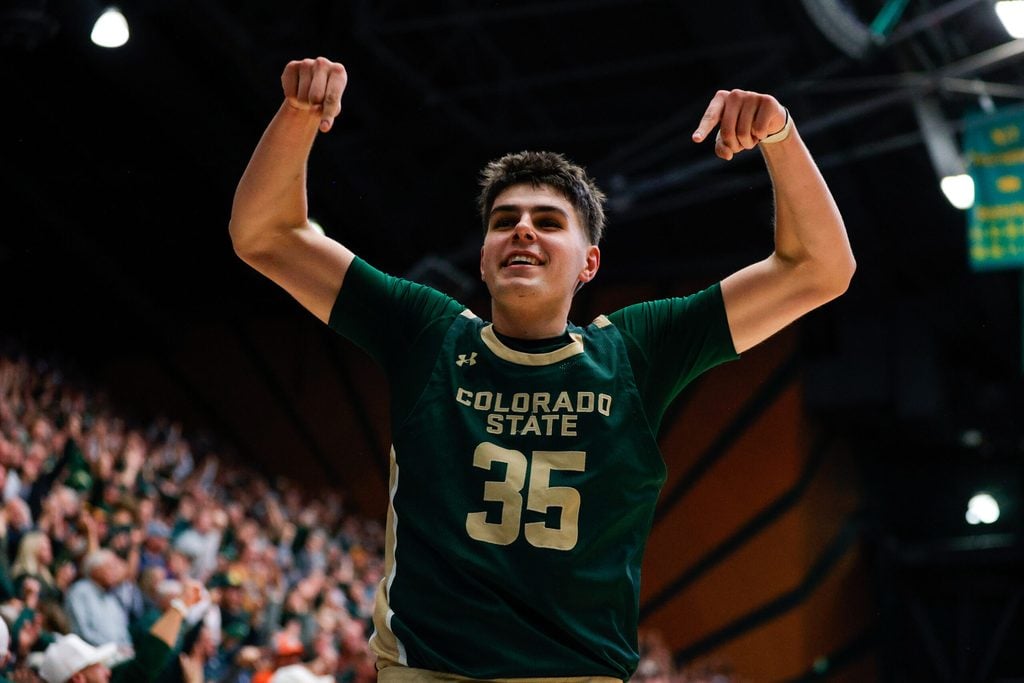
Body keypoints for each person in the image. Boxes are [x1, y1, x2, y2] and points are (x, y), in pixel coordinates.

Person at [229, 57, 855, 681]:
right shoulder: (428, 333)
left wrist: (780, 136)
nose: (523, 231)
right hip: (429, 672)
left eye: (548, 222)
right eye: (505, 222)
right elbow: (266, 234)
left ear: (589, 264)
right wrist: (298, 115)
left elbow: (821, 270)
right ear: (483, 258)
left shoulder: (636, 352)